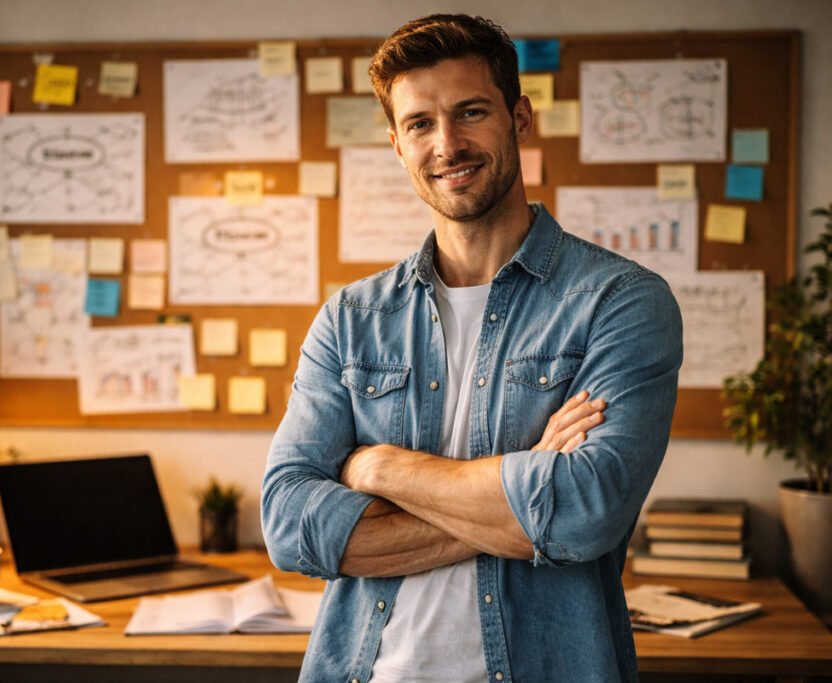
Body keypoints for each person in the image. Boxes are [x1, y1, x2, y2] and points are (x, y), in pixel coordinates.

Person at [262, 13, 682, 683]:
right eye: (420, 124)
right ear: (397, 144)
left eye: (471, 112)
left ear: (520, 118)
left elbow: (585, 511)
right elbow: (290, 526)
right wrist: (525, 486)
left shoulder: (620, 302)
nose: (447, 144)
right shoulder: (351, 319)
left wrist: (380, 468)